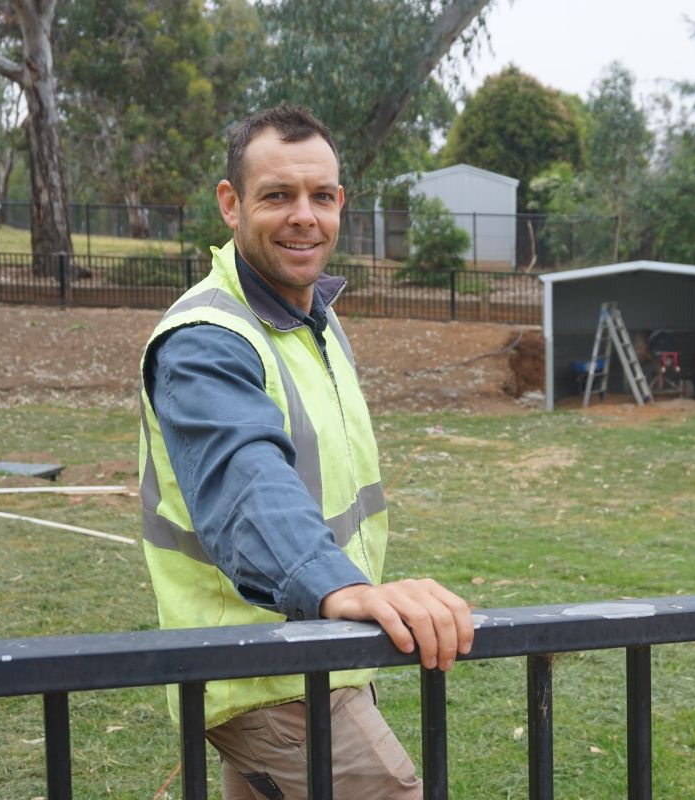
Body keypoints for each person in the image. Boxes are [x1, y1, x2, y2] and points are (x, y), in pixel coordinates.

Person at [138, 103, 474, 798]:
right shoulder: (207, 339)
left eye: (321, 196)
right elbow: (245, 483)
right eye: (277, 196)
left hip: (309, 656)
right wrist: (340, 586)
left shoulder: (311, 320)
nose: (304, 216)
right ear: (231, 205)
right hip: (272, 677)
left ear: (341, 203)